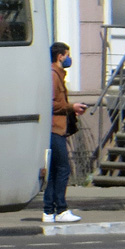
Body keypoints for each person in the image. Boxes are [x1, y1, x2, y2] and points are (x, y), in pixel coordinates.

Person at [43, 42, 86, 223]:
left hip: (57, 128)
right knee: (63, 169)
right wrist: (71, 106)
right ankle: (60, 209)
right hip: (55, 129)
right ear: (60, 56)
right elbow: (50, 103)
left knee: (54, 170)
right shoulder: (53, 75)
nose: (69, 59)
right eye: (67, 55)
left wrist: (71, 110)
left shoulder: (57, 74)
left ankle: (48, 211)